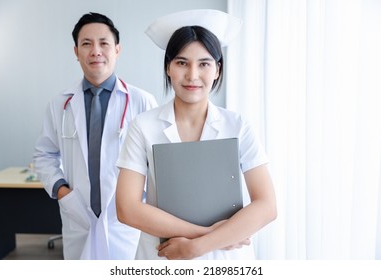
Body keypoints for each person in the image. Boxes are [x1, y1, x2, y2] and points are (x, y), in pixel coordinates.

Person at [115, 9, 277, 260]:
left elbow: (267, 206)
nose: (192, 75)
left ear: (218, 70)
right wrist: (206, 234)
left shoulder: (238, 126)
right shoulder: (143, 126)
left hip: (225, 261)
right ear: (168, 68)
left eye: (204, 64)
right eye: (182, 63)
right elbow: (127, 208)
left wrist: (198, 246)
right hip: (163, 256)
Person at [33, 12, 157, 260]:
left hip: (126, 220)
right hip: (78, 216)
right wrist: (61, 191)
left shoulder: (142, 101)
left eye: (104, 43)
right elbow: (44, 155)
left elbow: (157, 163)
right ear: (76, 51)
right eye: (86, 44)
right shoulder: (60, 104)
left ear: (117, 49)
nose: (95, 51)